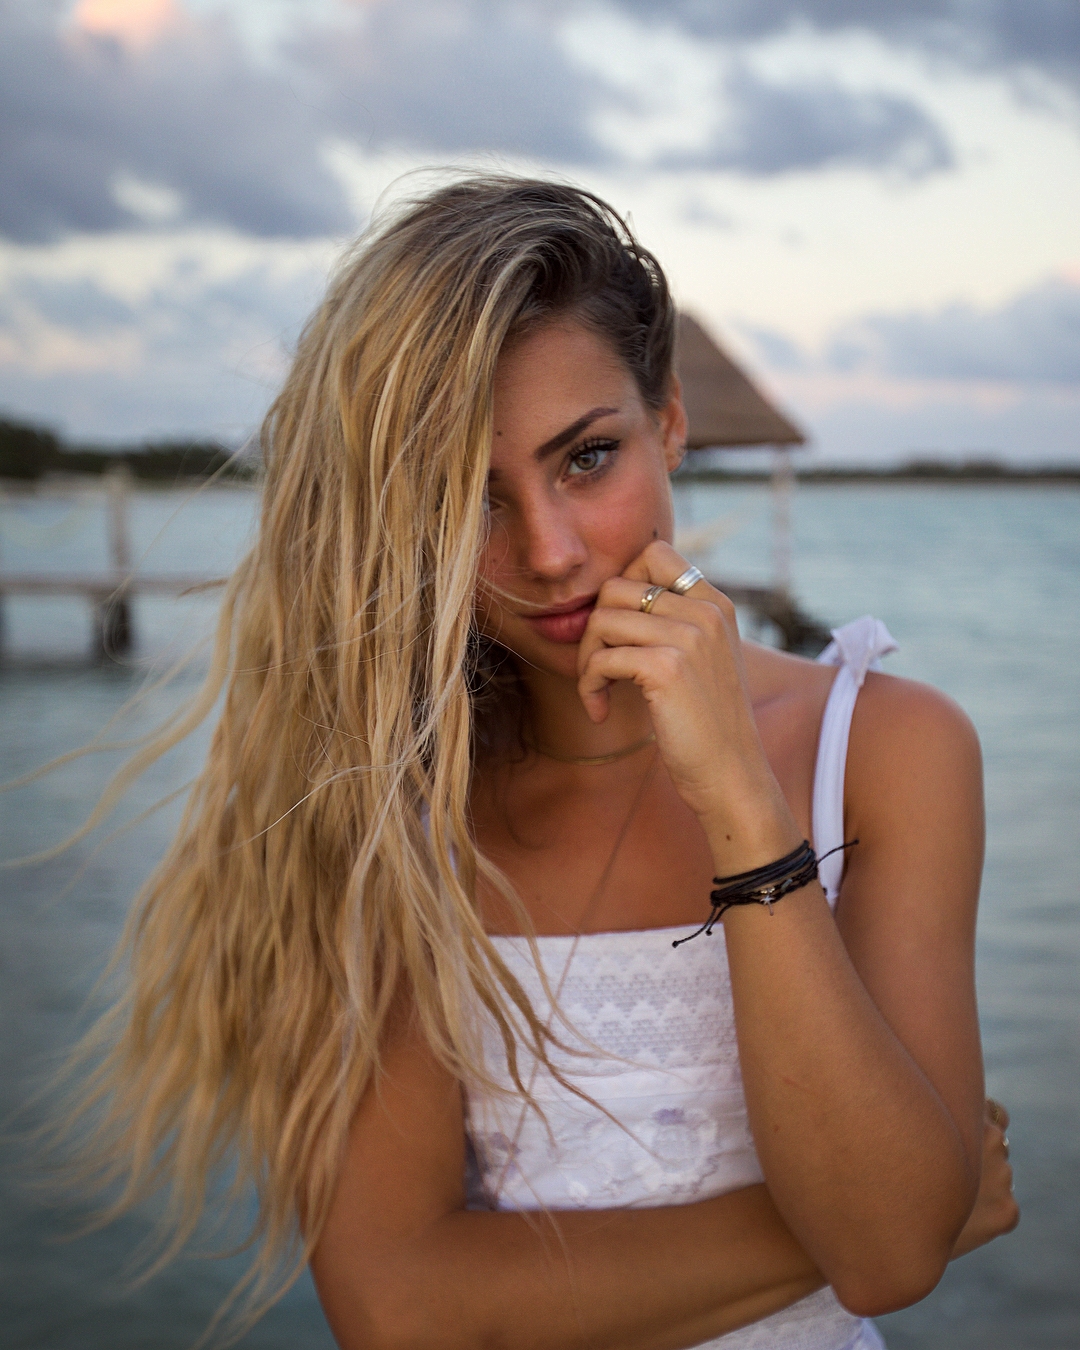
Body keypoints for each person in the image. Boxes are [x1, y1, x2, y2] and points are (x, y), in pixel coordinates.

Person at [63, 176, 1017, 1348]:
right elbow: (398, 1310)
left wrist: (737, 795)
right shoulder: (399, 801)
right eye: (468, 499)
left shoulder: (887, 749)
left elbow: (887, 1259)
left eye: (588, 458)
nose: (551, 552)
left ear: (670, 422)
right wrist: (891, 1215)